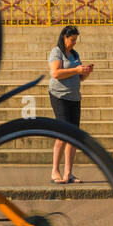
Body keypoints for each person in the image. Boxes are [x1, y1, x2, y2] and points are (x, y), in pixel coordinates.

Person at [48, 26, 93, 184]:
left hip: (74, 97)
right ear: (64, 37)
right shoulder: (57, 52)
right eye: (71, 39)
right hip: (59, 96)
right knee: (62, 133)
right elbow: (55, 73)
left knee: (73, 136)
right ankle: (55, 171)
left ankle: (68, 173)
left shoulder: (75, 54)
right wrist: (76, 70)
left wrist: (85, 72)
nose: (73, 43)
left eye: (75, 40)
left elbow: (78, 78)